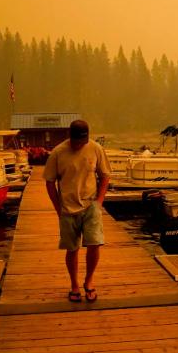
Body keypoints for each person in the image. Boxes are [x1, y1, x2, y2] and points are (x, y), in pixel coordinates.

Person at [43, 119, 111, 303]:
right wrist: (58, 208)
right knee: (72, 248)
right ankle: (74, 285)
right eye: (76, 142)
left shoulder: (95, 148)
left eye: (83, 141)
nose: (80, 145)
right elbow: (49, 182)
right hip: (68, 208)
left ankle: (89, 282)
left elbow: (105, 175)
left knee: (94, 244)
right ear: (70, 137)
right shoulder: (58, 153)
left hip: (91, 206)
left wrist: (99, 201)